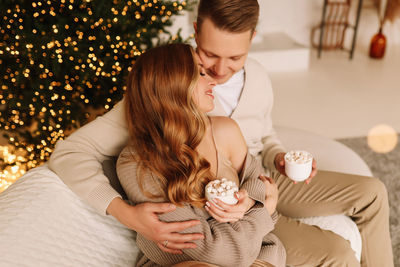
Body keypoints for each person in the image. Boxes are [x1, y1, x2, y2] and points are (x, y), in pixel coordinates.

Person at [49, 0, 394, 266]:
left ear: (252, 40)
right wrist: (125, 213)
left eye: (235, 58)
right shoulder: (159, 94)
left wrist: (279, 157)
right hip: (225, 206)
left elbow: (266, 134)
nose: (219, 71)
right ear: (196, 31)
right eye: (210, 56)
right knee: (334, 252)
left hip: (259, 174)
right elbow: (69, 153)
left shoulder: (257, 77)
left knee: (374, 192)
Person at [116, 42, 285, 267]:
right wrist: (264, 212)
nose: (213, 80)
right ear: (172, 84)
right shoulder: (137, 163)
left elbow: (259, 184)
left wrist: (252, 203)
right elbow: (220, 252)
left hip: (257, 254)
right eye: (200, 73)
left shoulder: (224, 129)